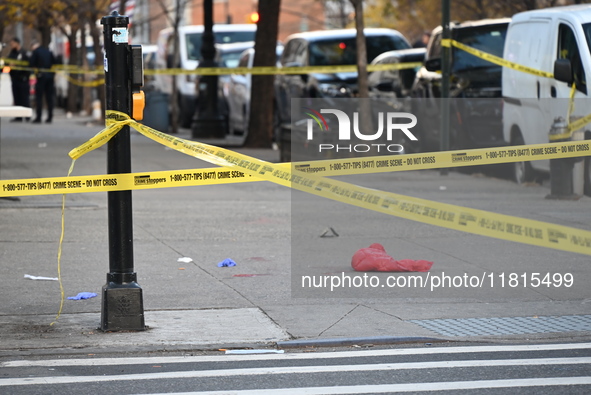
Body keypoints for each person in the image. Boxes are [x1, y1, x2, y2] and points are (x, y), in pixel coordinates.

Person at [29, 40, 56, 124]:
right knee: (49, 98)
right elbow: (54, 62)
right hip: (50, 76)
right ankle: (50, 117)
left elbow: (31, 63)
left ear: (33, 46)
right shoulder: (48, 51)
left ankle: (38, 117)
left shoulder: (36, 52)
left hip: (41, 77)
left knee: (39, 97)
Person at [6, 37, 31, 122]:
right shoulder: (12, 54)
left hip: (23, 79)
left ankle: (27, 116)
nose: (11, 46)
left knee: (25, 98)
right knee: (17, 98)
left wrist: (17, 67)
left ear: (17, 43)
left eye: (12, 44)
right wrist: (9, 67)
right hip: (14, 79)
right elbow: (6, 65)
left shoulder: (24, 53)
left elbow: (28, 66)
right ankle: (18, 116)